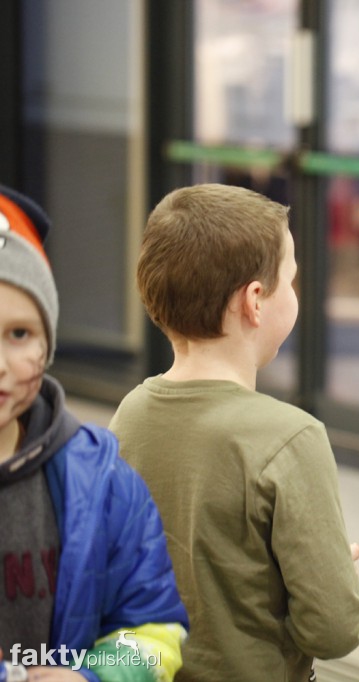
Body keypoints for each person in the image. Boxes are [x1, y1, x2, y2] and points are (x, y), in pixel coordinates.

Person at [109, 184, 359, 682]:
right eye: (290, 281)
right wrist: (335, 581)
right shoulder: (292, 438)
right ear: (255, 300)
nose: (294, 292)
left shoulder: (131, 414)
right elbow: (334, 630)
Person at [0, 185, 188, 681]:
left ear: (47, 341)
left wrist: (93, 677)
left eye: (19, 334)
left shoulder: (104, 482)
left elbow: (154, 630)